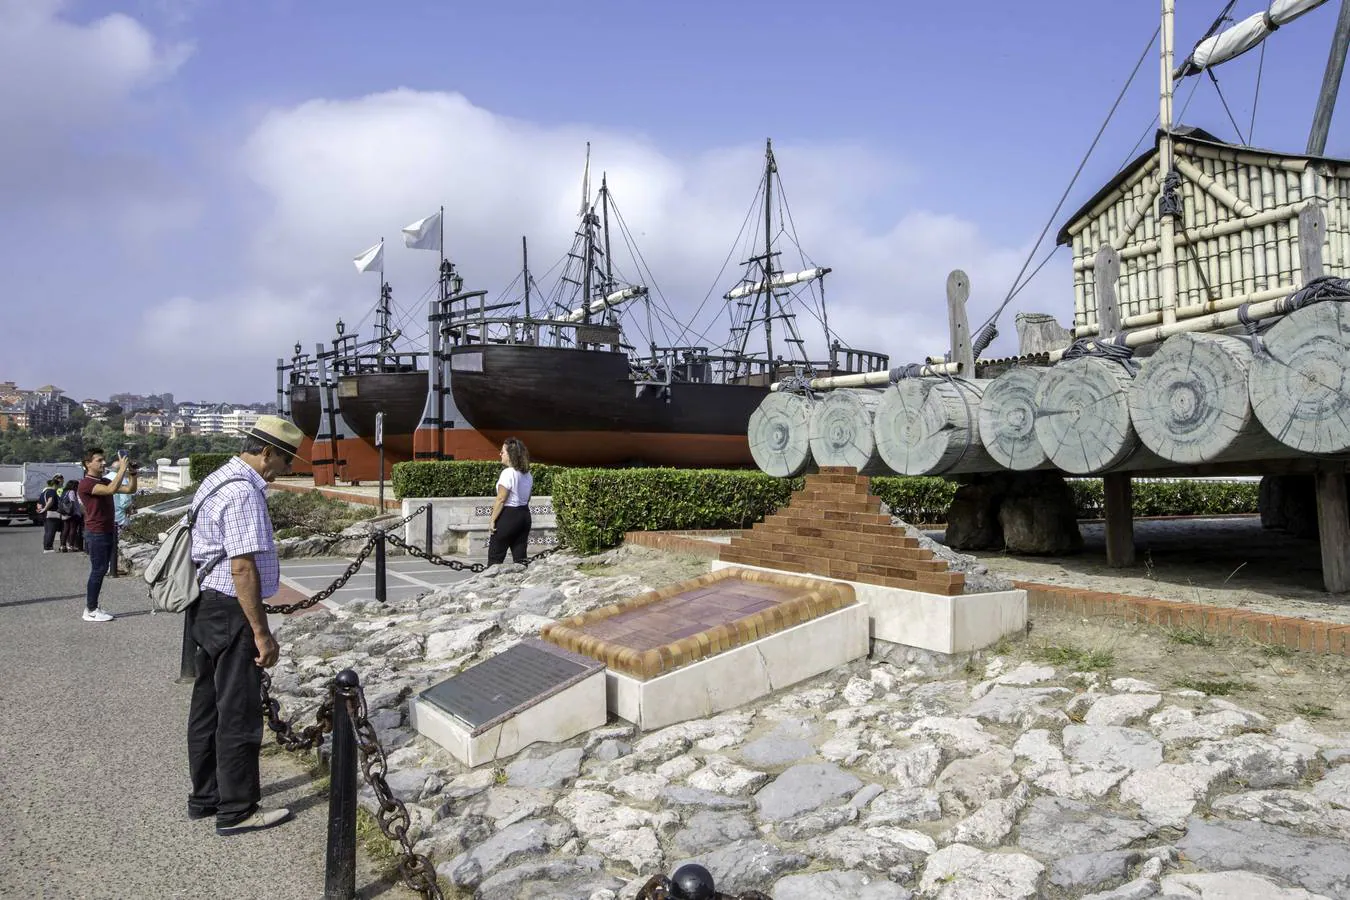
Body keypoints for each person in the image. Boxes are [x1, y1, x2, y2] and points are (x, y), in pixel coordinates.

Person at [186, 415, 303, 836]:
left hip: (205, 605)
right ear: (267, 452)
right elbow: (242, 568)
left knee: (207, 705)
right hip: (230, 609)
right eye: (286, 460)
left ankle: (205, 796)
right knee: (238, 710)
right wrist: (260, 632)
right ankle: (237, 810)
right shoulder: (243, 493)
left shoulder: (217, 479)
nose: (287, 470)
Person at [77, 451, 135, 621]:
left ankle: (93, 607)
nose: (103, 463)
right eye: (99, 460)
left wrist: (133, 474)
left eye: (104, 460)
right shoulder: (86, 484)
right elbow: (110, 490)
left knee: (101, 569)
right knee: (98, 570)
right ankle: (91, 609)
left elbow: (131, 489)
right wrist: (122, 469)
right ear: (88, 463)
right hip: (96, 532)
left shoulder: (104, 480)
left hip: (108, 529)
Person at [488, 437, 533, 566]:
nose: (500, 454)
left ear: (511, 455)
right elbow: (528, 498)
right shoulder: (527, 474)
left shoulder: (508, 473)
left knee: (495, 558)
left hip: (509, 516)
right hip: (524, 516)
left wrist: (492, 520)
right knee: (520, 558)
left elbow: (501, 498)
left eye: (503, 452)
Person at [59, 480, 83, 553]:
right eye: (77, 486)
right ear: (74, 486)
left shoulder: (64, 491)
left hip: (65, 512)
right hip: (71, 513)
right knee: (72, 529)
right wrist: (76, 512)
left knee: (65, 529)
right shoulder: (72, 492)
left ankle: (62, 546)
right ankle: (71, 546)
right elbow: (73, 503)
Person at [39, 477, 62, 553]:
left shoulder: (43, 492)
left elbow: (39, 504)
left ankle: (46, 546)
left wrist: (42, 510)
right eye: (58, 486)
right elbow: (50, 501)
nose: (58, 487)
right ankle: (48, 548)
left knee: (47, 531)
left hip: (44, 514)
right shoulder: (52, 491)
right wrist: (45, 508)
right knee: (51, 531)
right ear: (55, 485)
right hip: (51, 513)